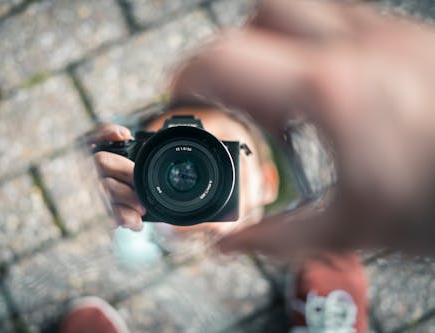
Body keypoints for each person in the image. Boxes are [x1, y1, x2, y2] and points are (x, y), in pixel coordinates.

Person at [60, 0, 435, 331]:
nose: (185, 176)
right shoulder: (147, 204)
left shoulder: (295, 195)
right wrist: (106, 162)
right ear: (144, 151)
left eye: (221, 165)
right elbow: (111, 159)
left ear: (267, 188)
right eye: (166, 157)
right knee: (132, 242)